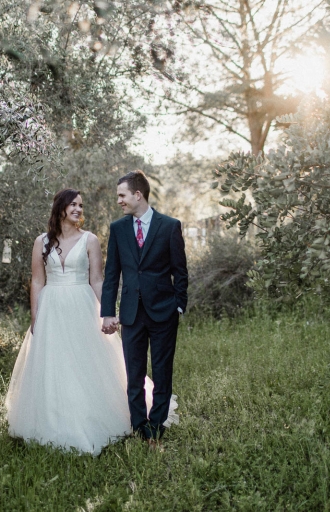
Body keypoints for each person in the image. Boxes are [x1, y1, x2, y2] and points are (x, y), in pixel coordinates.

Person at [5, 189, 178, 455]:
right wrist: (35, 317)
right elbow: (38, 281)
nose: (78, 209)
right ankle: (54, 419)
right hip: (52, 308)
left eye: (81, 205)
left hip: (82, 305)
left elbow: (97, 280)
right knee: (54, 364)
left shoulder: (90, 240)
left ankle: (101, 416)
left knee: (85, 361)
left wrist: (108, 312)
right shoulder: (41, 242)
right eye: (73, 204)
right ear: (60, 207)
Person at [101, 170, 188, 444]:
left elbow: (180, 272)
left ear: (138, 195)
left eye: (122, 195)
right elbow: (112, 273)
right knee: (134, 374)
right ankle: (140, 426)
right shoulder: (117, 229)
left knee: (163, 371)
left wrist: (179, 306)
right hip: (131, 313)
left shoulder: (170, 226)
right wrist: (108, 311)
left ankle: (158, 424)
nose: (119, 201)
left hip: (164, 311)